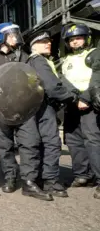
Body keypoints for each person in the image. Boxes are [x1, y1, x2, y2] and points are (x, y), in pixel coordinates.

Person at [0, 22, 52, 201]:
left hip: (25, 109)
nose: (16, 37)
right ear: (2, 38)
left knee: (30, 143)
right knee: (4, 146)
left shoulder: (26, 58)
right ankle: (10, 177)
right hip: (1, 111)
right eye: (12, 34)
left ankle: (29, 182)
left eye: (16, 34)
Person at [27, 30, 76, 197]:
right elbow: (51, 86)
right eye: (44, 42)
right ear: (34, 45)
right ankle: (50, 181)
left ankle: (43, 178)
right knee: (52, 143)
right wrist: (72, 97)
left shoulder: (35, 61)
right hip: (45, 106)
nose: (49, 43)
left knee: (43, 144)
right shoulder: (39, 61)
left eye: (49, 41)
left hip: (38, 107)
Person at [60, 23, 100, 199]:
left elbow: (97, 77)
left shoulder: (94, 54)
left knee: (93, 141)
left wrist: (86, 98)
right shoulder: (65, 60)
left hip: (89, 105)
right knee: (73, 140)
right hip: (72, 105)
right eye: (71, 39)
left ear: (87, 38)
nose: (75, 42)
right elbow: (63, 81)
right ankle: (83, 175)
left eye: (78, 38)